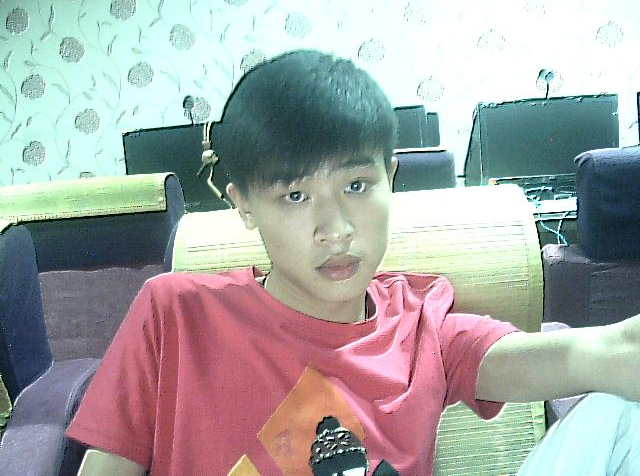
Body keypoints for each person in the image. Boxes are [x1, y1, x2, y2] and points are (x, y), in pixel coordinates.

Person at [66, 50, 640, 475]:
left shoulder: (423, 326)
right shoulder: (177, 315)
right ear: (244, 205)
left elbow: (593, 354)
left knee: (622, 417)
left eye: (357, 186)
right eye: (295, 196)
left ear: (391, 178)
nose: (336, 229)